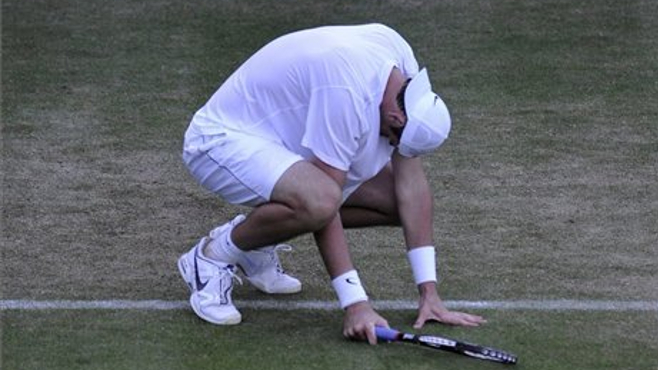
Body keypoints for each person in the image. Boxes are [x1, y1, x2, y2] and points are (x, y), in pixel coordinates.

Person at [178, 23, 486, 344]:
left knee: (396, 203)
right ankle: (212, 256)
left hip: (282, 141)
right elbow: (326, 204)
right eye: (394, 141)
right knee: (319, 200)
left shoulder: (403, 73)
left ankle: (257, 242)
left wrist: (429, 292)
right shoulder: (345, 92)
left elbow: (412, 189)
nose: (391, 147)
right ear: (396, 119)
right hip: (221, 140)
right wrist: (356, 304)